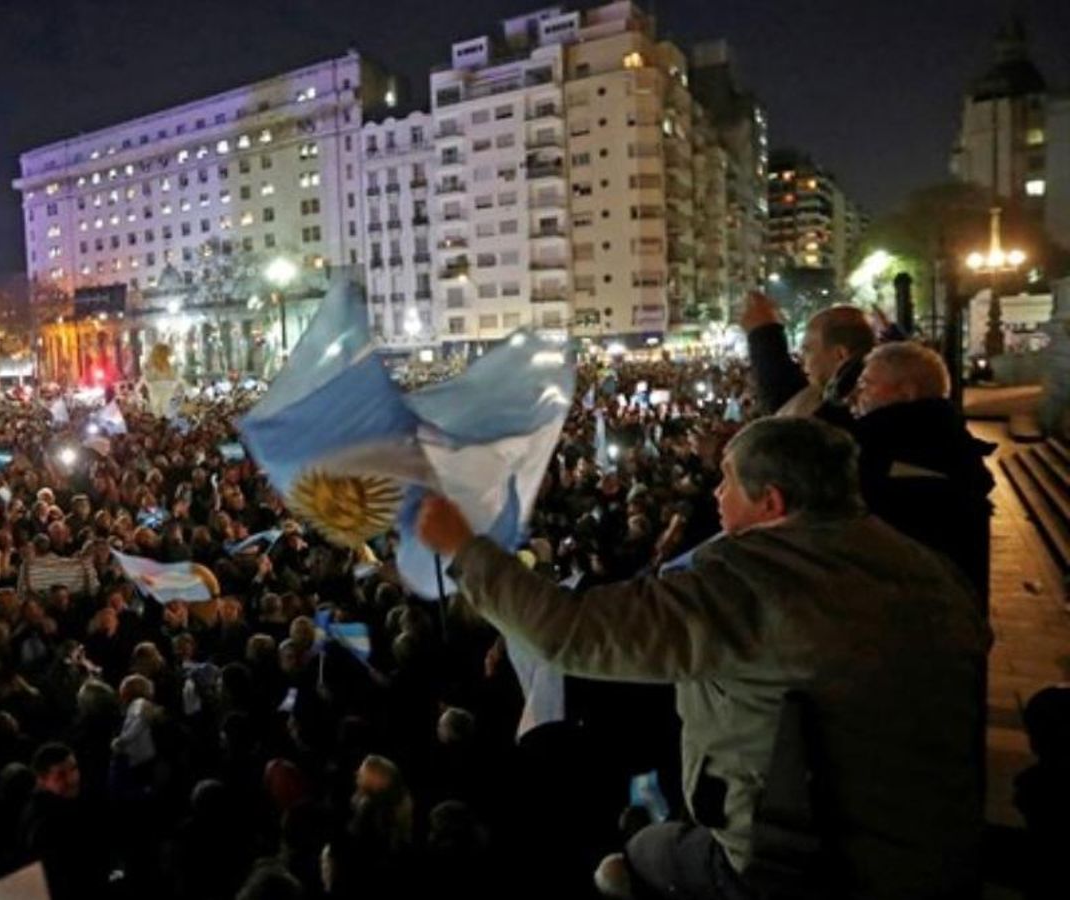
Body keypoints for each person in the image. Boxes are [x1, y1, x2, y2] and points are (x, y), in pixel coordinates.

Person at [417, 417, 988, 899]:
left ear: (772, 502)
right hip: (939, 841)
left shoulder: (746, 581)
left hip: (802, 862)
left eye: (728, 479)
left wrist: (464, 548)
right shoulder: (925, 565)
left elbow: (568, 633)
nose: (715, 494)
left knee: (635, 856)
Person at [851, 341, 994, 605]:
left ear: (906, 392)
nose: (857, 395)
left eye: (867, 385)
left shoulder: (891, 448)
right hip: (955, 616)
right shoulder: (948, 442)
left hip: (908, 616)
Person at [742, 292, 874, 423]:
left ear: (840, 355)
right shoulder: (863, 400)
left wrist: (764, 334)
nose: (802, 360)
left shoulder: (850, 413)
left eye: (808, 350)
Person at [18, 742, 109, 899]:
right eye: (61, 775)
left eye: (74, 769)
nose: (73, 779)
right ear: (42, 780)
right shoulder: (46, 824)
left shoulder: (69, 805)